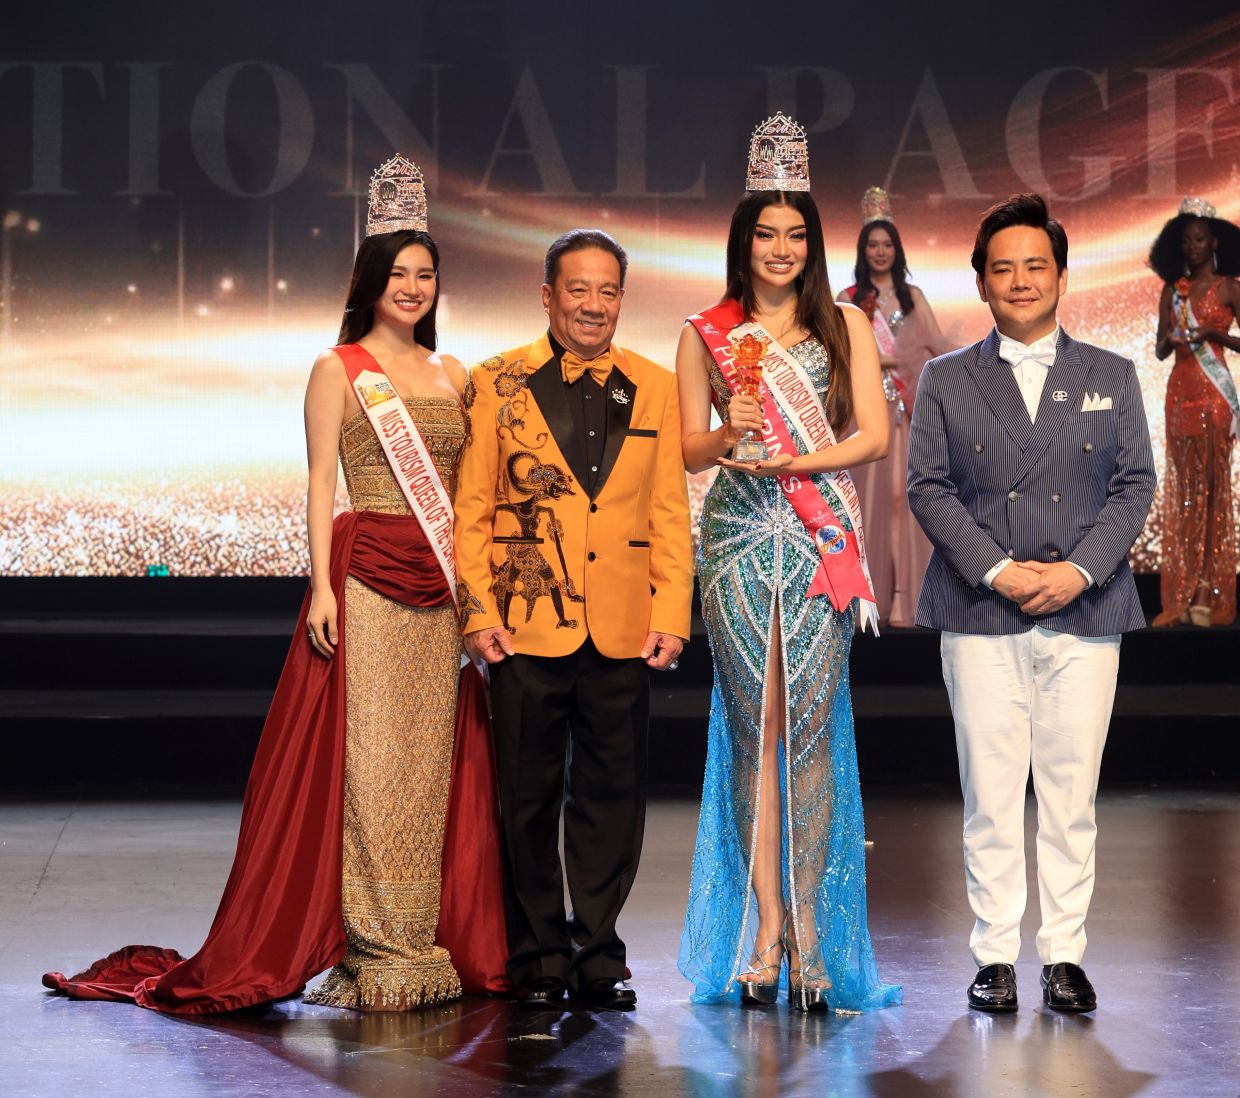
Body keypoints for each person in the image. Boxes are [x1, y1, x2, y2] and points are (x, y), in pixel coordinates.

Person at [43, 155, 508, 1014]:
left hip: (439, 590)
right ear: (371, 280)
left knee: (432, 764)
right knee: (367, 767)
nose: (413, 288)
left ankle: (419, 932)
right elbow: (319, 483)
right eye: (399, 274)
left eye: (426, 275)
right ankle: (372, 943)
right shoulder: (338, 368)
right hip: (364, 578)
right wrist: (321, 588)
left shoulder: (457, 377)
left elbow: (472, 497)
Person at [907, 193, 1156, 1014]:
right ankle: (993, 957)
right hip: (983, 611)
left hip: (1087, 610)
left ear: (1059, 276)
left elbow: (1133, 486)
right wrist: (998, 570)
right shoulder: (946, 378)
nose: (1020, 280)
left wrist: (1079, 571)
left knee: (1069, 794)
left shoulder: (1111, 374)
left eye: (1035, 266)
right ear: (981, 282)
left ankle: (1064, 956)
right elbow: (929, 490)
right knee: (989, 791)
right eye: (1002, 268)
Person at [675, 113, 901, 1013]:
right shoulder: (704, 333)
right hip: (734, 541)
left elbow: (875, 439)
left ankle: (811, 931)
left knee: (808, 736)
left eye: (795, 234)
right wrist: (730, 432)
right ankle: (765, 932)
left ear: (813, 243)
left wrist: (797, 461)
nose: (779, 248)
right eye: (764, 234)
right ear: (743, 243)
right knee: (749, 735)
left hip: (814, 539)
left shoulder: (843, 322)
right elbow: (691, 453)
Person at [453, 228, 694, 1011]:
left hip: (624, 622)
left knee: (612, 793)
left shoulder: (654, 385)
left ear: (622, 297)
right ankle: (538, 954)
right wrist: (478, 609)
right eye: (578, 290)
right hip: (526, 621)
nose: (593, 305)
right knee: (525, 795)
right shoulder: (499, 381)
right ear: (548, 295)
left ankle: (597, 950)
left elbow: (668, 511)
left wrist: (673, 613)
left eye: (608, 291)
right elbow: (474, 510)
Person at [839, 187, 955, 625]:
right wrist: (887, 358)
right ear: (862, 249)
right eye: (873, 244)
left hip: (906, 409)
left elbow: (935, 348)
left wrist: (903, 362)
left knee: (905, 500)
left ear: (897, 249)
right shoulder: (849, 298)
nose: (880, 251)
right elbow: (840, 352)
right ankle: (868, 599)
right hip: (866, 410)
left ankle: (907, 596)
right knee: (866, 502)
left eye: (887, 244)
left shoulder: (913, 296)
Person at [1149, 196, 1240, 628]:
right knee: (1186, 496)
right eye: (1186, 241)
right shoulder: (1173, 290)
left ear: (1213, 241)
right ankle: (1182, 593)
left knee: (1212, 494)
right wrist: (1175, 337)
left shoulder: (1229, 287)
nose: (1193, 247)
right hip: (1180, 393)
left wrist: (1213, 334)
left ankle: (1208, 590)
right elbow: (1160, 349)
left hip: (1215, 396)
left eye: (1199, 239)